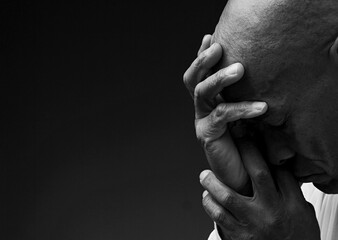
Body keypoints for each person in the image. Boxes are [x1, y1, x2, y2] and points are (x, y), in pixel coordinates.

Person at [183, 0, 338, 239]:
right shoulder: (298, 210)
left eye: (279, 123)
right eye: (254, 128)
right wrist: (246, 198)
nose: (275, 157)